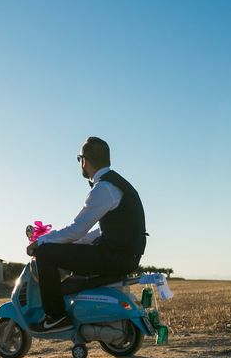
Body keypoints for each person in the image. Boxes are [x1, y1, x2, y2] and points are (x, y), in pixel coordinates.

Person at [26, 136, 148, 333]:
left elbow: (77, 229)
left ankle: (55, 317)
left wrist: (42, 241)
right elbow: (100, 231)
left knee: (45, 254)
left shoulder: (103, 188)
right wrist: (73, 243)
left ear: (84, 160)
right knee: (65, 249)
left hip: (114, 257)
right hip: (125, 256)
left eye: (79, 159)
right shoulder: (118, 184)